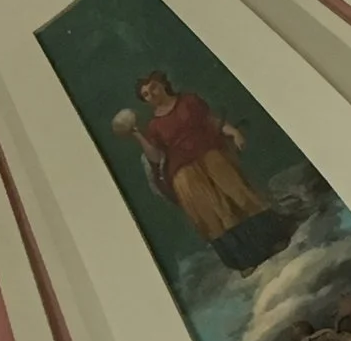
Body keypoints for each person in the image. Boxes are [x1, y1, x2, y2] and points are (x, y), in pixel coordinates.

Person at [116, 74, 296, 271]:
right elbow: (157, 158)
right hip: (183, 172)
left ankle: (274, 239)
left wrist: (233, 132)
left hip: (209, 153)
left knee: (240, 194)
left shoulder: (188, 101)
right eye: (146, 94)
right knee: (213, 213)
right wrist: (137, 135)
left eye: (153, 88)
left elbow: (210, 121)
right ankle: (244, 261)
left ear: (163, 85)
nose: (151, 94)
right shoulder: (153, 126)